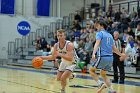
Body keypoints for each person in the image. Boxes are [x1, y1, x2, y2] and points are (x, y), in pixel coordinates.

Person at [89, 21, 126, 93]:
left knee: (91, 70)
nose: (97, 27)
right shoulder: (110, 35)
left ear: (102, 26)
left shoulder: (99, 33)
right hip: (110, 58)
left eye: (98, 25)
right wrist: (121, 54)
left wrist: (93, 54)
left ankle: (100, 84)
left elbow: (97, 43)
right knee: (103, 74)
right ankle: (111, 89)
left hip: (102, 56)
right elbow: (114, 48)